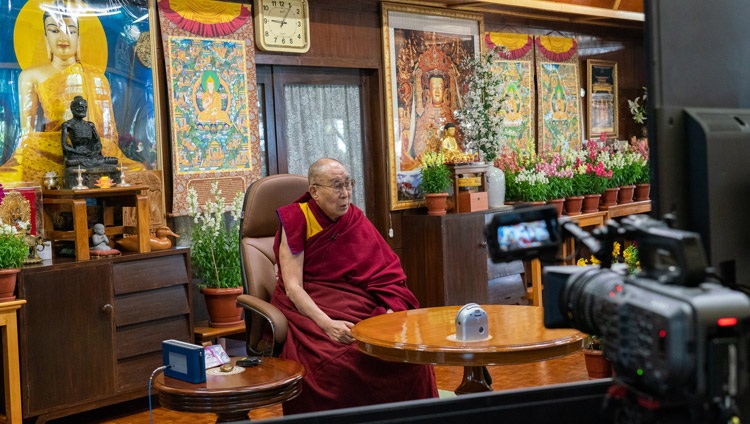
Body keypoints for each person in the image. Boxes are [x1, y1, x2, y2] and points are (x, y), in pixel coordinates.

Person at [271, 158, 438, 414]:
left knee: (410, 355)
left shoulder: (354, 219)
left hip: (362, 306)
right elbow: (293, 287)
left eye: (349, 184)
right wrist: (328, 325)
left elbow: (386, 273)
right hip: (316, 310)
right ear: (314, 191)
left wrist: (391, 308)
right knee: (339, 365)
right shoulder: (297, 219)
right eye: (337, 185)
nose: (346, 193)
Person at [0, 4, 143, 184]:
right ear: (45, 36)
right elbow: (28, 135)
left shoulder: (97, 77)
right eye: (54, 30)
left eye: (71, 30)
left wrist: (97, 150)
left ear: (79, 37)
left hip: (95, 154)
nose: (63, 37)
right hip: (50, 152)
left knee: (139, 171)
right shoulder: (30, 75)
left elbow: (107, 136)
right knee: (8, 177)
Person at [61, 96, 118, 168]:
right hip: (77, 155)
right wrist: (80, 152)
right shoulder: (68, 124)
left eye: (85, 107)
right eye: (81, 107)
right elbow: (65, 146)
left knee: (114, 160)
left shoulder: (90, 125)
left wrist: (95, 152)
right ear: (72, 109)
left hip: (92, 155)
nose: (84, 110)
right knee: (70, 162)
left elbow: (97, 143)